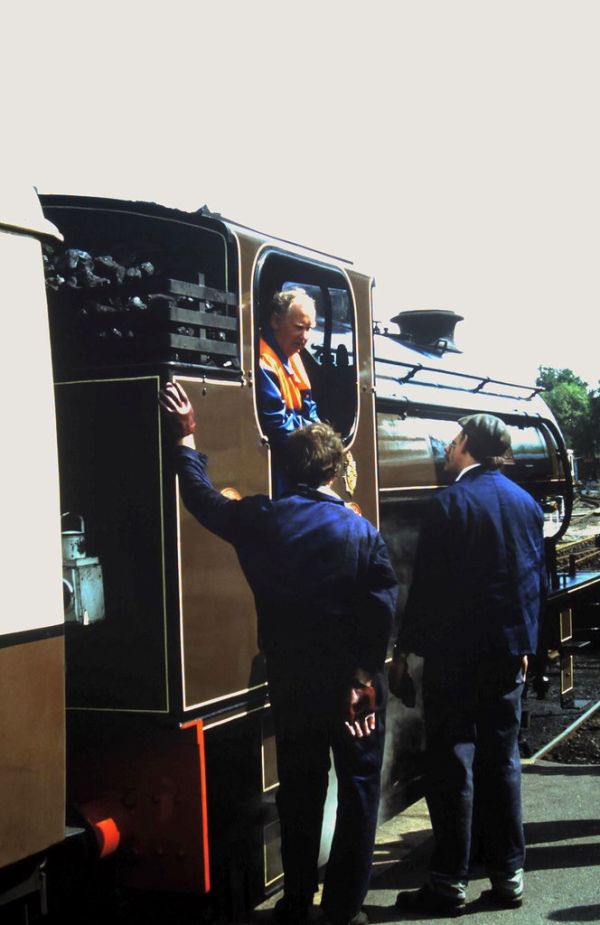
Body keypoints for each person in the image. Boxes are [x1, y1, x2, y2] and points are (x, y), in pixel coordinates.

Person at [159, 381, 398, 925]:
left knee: (300, 788)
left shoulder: (262, 519)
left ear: (288, 469)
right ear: (334, 471)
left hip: (292, 680)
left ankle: (295, 901)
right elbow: (381, 610)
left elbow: (203, 499)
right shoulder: (362, 533)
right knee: (359, 789)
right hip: (351, 686)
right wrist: (363, 677)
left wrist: (186, 438)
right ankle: (342, 909)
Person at [390, 413, 546, 917]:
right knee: (502, 761)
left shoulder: (449, 504)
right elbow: (532, 581)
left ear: (466, 446)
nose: (448, 447)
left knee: (452, 761)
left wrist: (404, 650)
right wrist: (525, 643)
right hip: (506, 654)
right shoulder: (526, 504)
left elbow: (427, 588)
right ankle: (508, 875)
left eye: (454, 439)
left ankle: (448, 881)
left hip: (455, 657)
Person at [258, 289, 320, 494]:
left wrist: (320, 432)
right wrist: (317, 434)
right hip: (278, 465)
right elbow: (277, 425)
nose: (305, 337)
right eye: (299, 327)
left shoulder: (294, 357)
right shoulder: (264, 361)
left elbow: (310, 408)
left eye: (309, 329)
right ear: (276, 321)